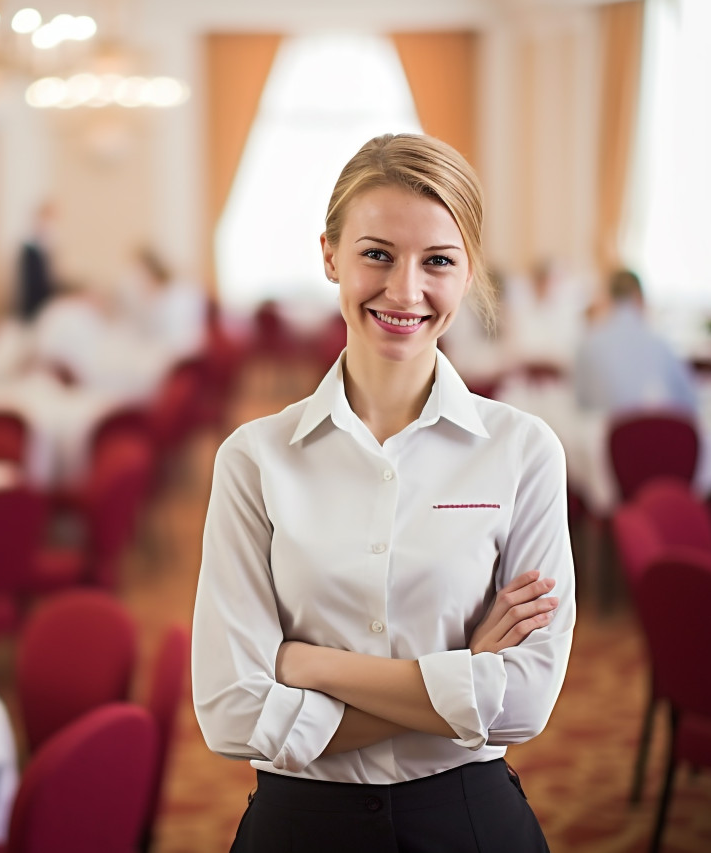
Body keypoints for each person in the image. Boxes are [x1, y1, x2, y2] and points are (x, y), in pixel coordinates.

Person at [192, 133, 574, 852]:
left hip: (468, 818)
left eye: (437, 261)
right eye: (377, 254)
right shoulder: (254, 459)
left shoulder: (524, 451)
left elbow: (523, 703)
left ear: (468, 273)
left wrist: (306, 665)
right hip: (298, 827)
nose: (405, 290)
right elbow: (231, 711)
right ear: (330, 254)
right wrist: (463, 679)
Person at [572, 269, 698, 416]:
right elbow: (690, 401)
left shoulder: (588, 345)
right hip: (658, 435)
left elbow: (580, 403)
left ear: (608, 298)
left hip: (608, 435)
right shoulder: (661, 344)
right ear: (639, 297)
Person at [16, 202, 59, 322]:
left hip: (47, 297)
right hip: (33, 300)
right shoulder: (29, 248)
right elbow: (29, 282)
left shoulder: (49, 244)